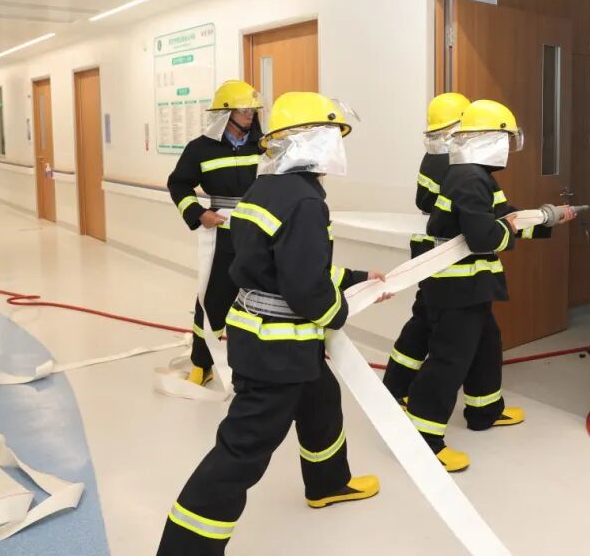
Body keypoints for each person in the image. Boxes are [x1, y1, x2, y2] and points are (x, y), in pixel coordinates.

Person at [157, 92, 391, 555]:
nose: (337, 146)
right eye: (332, 135)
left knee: (321, 399)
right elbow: (304, 289)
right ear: (307, 142)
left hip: (265, 339)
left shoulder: (265, 189)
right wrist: (340, 311)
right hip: (277, 351)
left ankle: (327, 482)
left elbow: (283, 266)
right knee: (241, 451)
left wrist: (357, 278)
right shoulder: (304, 201)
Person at [405, 99, 576, 472]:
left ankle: (484, 410)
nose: (508, 147)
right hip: (457, 287)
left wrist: (544, 221)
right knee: (450, 359)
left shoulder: (475, 175)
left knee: (486, 345)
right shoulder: (468, 179)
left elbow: (502, 216)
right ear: (487, 139)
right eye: (505, 138)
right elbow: (484, 236)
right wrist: (508, 228)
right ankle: (422, 438)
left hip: (472, 285)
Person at [167, 80, 264, 386]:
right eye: (244, 109)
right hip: (224, 236)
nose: (250, 115)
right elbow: (178, 184)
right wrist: (198, 214)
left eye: (253, 110)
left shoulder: (265, 146)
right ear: (226, 113)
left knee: (262, 299)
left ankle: (256, 365)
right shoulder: (200, 149)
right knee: (213, 301)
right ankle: (202, 365)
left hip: (261, 234)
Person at [382, 92, 470, 404]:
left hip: (428, 251)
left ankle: (395, 387)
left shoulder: (434, 155)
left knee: (421, 322)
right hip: (446, 257)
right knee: (441, 333)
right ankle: (419, 403)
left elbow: (424, 203)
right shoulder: (455, 163)